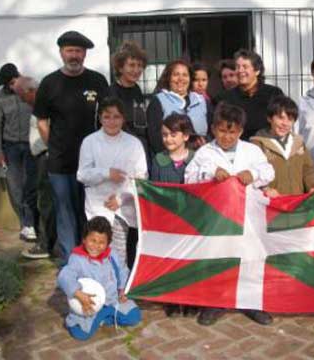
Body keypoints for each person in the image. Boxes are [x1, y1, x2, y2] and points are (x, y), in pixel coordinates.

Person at [185, 103, 275, 326]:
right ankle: (216, 302)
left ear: (241, 131)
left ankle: (251, 303)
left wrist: (252, 174)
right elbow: (189, 178)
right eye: (222, 131)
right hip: (218, 218)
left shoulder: (252, 151)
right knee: (218, 257)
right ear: (214, 129)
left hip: (248, 217)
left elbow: (268, 171)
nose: (226, 136)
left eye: (232, 131)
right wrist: (211, 172)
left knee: (250, 257)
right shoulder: (205, 153)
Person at [33, 30, 109, 262]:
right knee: (64, 212)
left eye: (78, 51)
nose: (74, 55)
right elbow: (42, 121)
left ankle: (92, 255)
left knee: (87, 211)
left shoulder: (97, 81)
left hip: (91, 162)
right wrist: (53, 146)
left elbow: (107, 117)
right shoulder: (49, 83)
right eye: (70, 51)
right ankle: (70, 259)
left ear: (85, 54)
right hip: (60, 162)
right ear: (61, 53)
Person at [77, 97, 148, 268]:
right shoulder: (90, 142)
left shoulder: (133, 144)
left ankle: (119, 289)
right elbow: (82, 174)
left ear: (123, 118)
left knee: (119, 255)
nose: (112, 121)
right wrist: (106, 173)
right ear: (100, 118)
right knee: (97, 252)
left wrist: (121, 199)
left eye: (116, 117)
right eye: (107, 116)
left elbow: (141, 178)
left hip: (122, 208)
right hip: (98, 206)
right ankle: (99, 288)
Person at [57, 216, 141, 341]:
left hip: (112, 300)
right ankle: (97, 317)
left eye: (101, 242)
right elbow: (64, 275)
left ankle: (104, 317)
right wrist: (78, 294)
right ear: (84, 239)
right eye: (93, 240)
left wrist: (122, 289)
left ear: (108, 244)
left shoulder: (112, 255)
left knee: (134, 317)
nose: (96, 246)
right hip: (90, 304)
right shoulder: (77, 259)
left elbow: (122, 270)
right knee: (81, 334)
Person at [149, 113, 198, 318]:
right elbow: (153, 189)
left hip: (191, 220)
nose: (168, 139)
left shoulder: (197, 159)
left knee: (190, 259)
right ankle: (171, 297)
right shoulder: (158, 160)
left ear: (186, 136)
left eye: (173, 135)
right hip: (168, 220)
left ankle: (191, 298)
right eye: (165, 135)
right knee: (170, 259)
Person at [0, 63, 38, 242]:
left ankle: (32, 223)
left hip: (31, 145)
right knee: (15, 187)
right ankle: (25, 223)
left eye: (14, 81)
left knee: (31, 185)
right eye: (9, 84)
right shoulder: (0, 98)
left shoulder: (31, 89)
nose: (12, 86)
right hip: (11, 147)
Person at [14, 77, 56, 259]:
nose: (22, 101)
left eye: (23, 97)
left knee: (46, 203)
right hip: (41, 157)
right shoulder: (41, 104)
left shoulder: (48, 103)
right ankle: (48, 242)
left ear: (31, 91)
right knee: (44, 201)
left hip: (48, 157)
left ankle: (46, 245)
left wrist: (51, 152)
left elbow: (54, 131)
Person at [251, 96, 314, 196]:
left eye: (290, 119)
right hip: (271, 204)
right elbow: (253, 173)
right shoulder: (257, 144)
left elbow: (308, 170)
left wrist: (313, 187)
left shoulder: (299, 143)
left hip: (297, 203)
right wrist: (265, 189)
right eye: (280, 118)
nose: (285, 124)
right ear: (269, 118)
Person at [214, 49, 284, 140]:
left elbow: (281, 121)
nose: (240, 70)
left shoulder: (273, 93)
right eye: (237, 67)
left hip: (267, 146)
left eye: (245, 66)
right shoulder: (224, 98)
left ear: (257, 71)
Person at [146, 59, 212, 155]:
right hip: (169, 160)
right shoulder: (158, 101)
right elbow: (154, 136)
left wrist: (206, 143)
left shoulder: (202, 101)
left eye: (185, 75)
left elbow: (213, 128)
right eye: (176, 74)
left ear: (190, 79)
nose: (181, 78)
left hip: (200, 158)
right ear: (168, 78)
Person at [108, 41, 148, 149]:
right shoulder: (112, 92)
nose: (136, 70)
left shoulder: (136, 90)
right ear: (120, 68)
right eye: (131, 65)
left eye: (140, 65)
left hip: (140, 147)